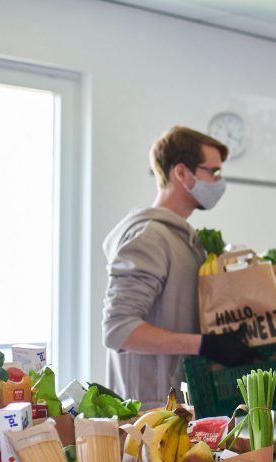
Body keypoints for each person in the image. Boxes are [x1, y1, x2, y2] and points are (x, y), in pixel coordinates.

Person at [102, 125, 257, 405]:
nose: (219, 181)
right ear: (182, 173)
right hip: (148, 414)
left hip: (179, 405)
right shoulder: (150, 237)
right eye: (213, 172)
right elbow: (118, 329)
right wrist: (203, 345)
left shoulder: (186, 240)